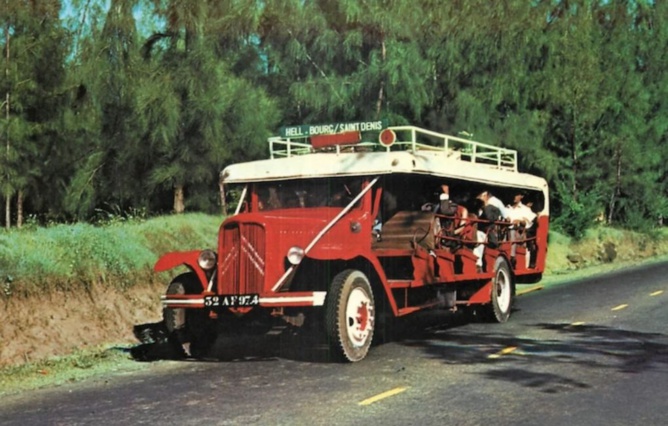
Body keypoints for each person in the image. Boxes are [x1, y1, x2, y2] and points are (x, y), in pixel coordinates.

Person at [506, 190, 537, 266]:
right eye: (513, 194)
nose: (514, 197)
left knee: (513, 232)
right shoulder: (507, 208)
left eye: (516, 195)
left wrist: (520, 221)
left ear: (521, 196)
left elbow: (528, 223)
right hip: (505, 233)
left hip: (518, 234)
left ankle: (512, 256)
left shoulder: (525, 209)